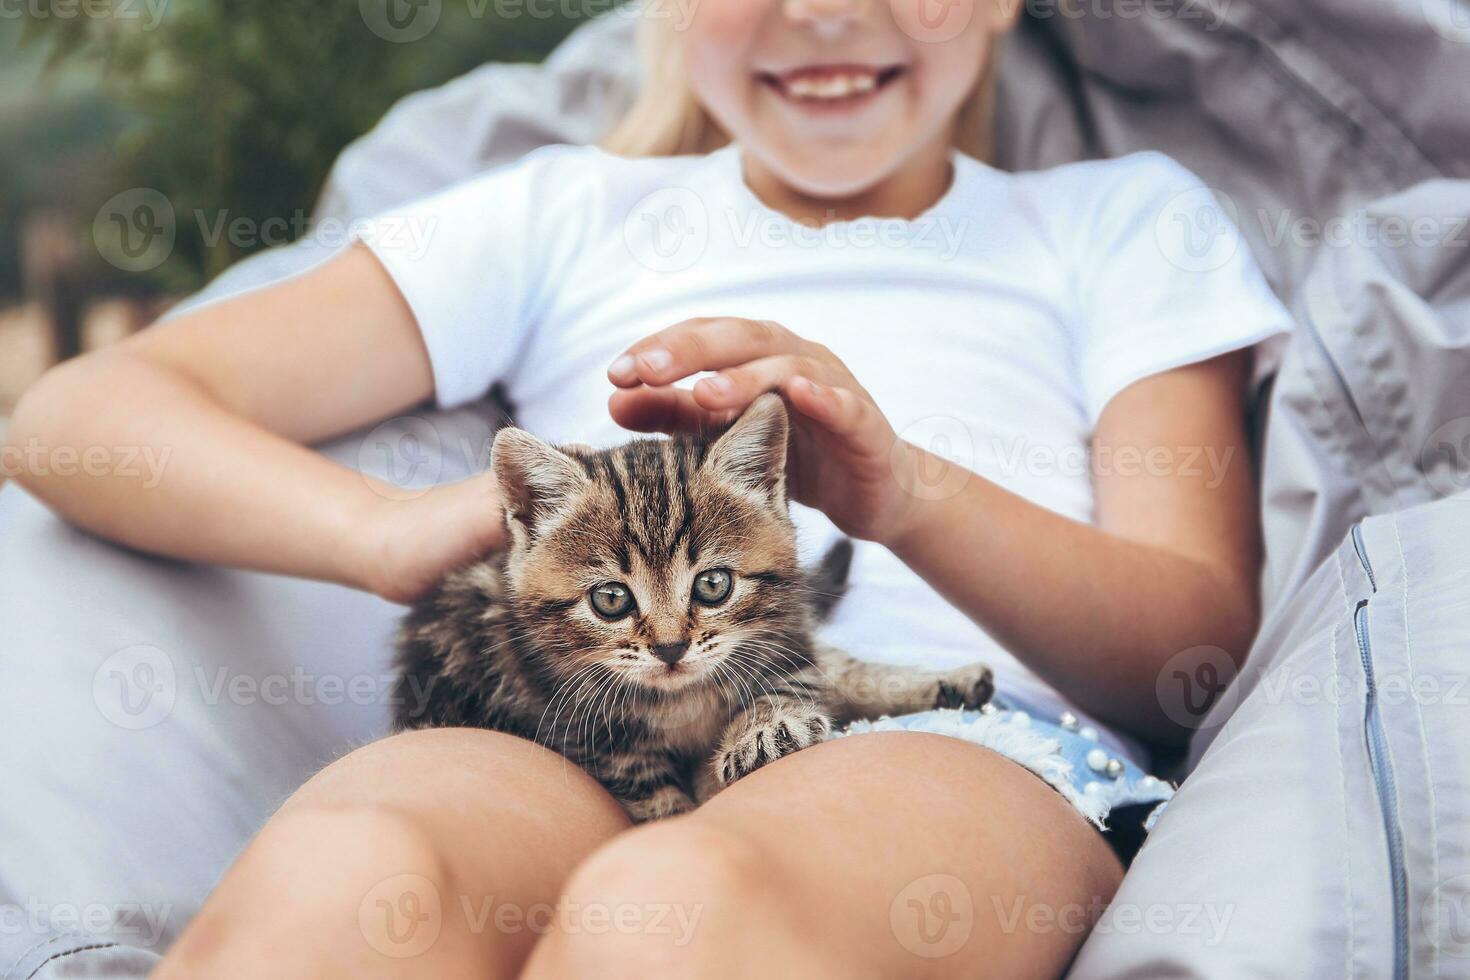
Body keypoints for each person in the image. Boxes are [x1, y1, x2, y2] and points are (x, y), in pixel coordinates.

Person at [7, 0, 1291, 975]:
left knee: (668, 917)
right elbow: (76, 418)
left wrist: (903, 494)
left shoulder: (1120, 221)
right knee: (353, 867)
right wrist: (388, 532)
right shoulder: (561, 212)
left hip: (949, 735)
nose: (828, 16)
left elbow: (1192, 650)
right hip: (581, 723)